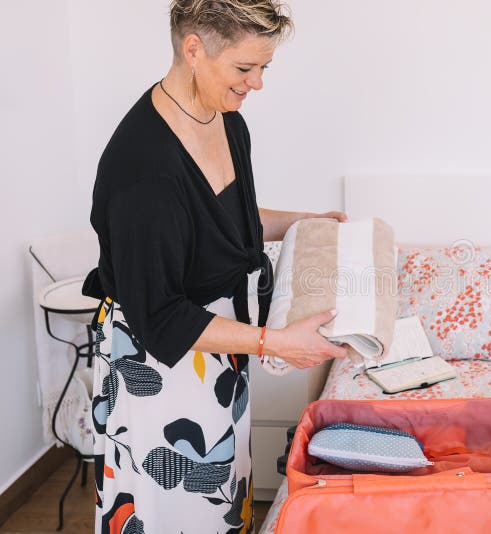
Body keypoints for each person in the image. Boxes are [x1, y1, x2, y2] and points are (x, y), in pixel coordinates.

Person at [81, 1, 348, 531]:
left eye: (263, 68)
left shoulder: (225, 121)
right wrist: (276, 343)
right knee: (172, 512)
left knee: (222, 493)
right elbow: (159, 315)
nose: (257, 84)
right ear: (194, 49)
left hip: (220, 349)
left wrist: (308, 221)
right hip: (160, 364)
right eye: (245, 69)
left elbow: (225, 218)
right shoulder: (144, 171)